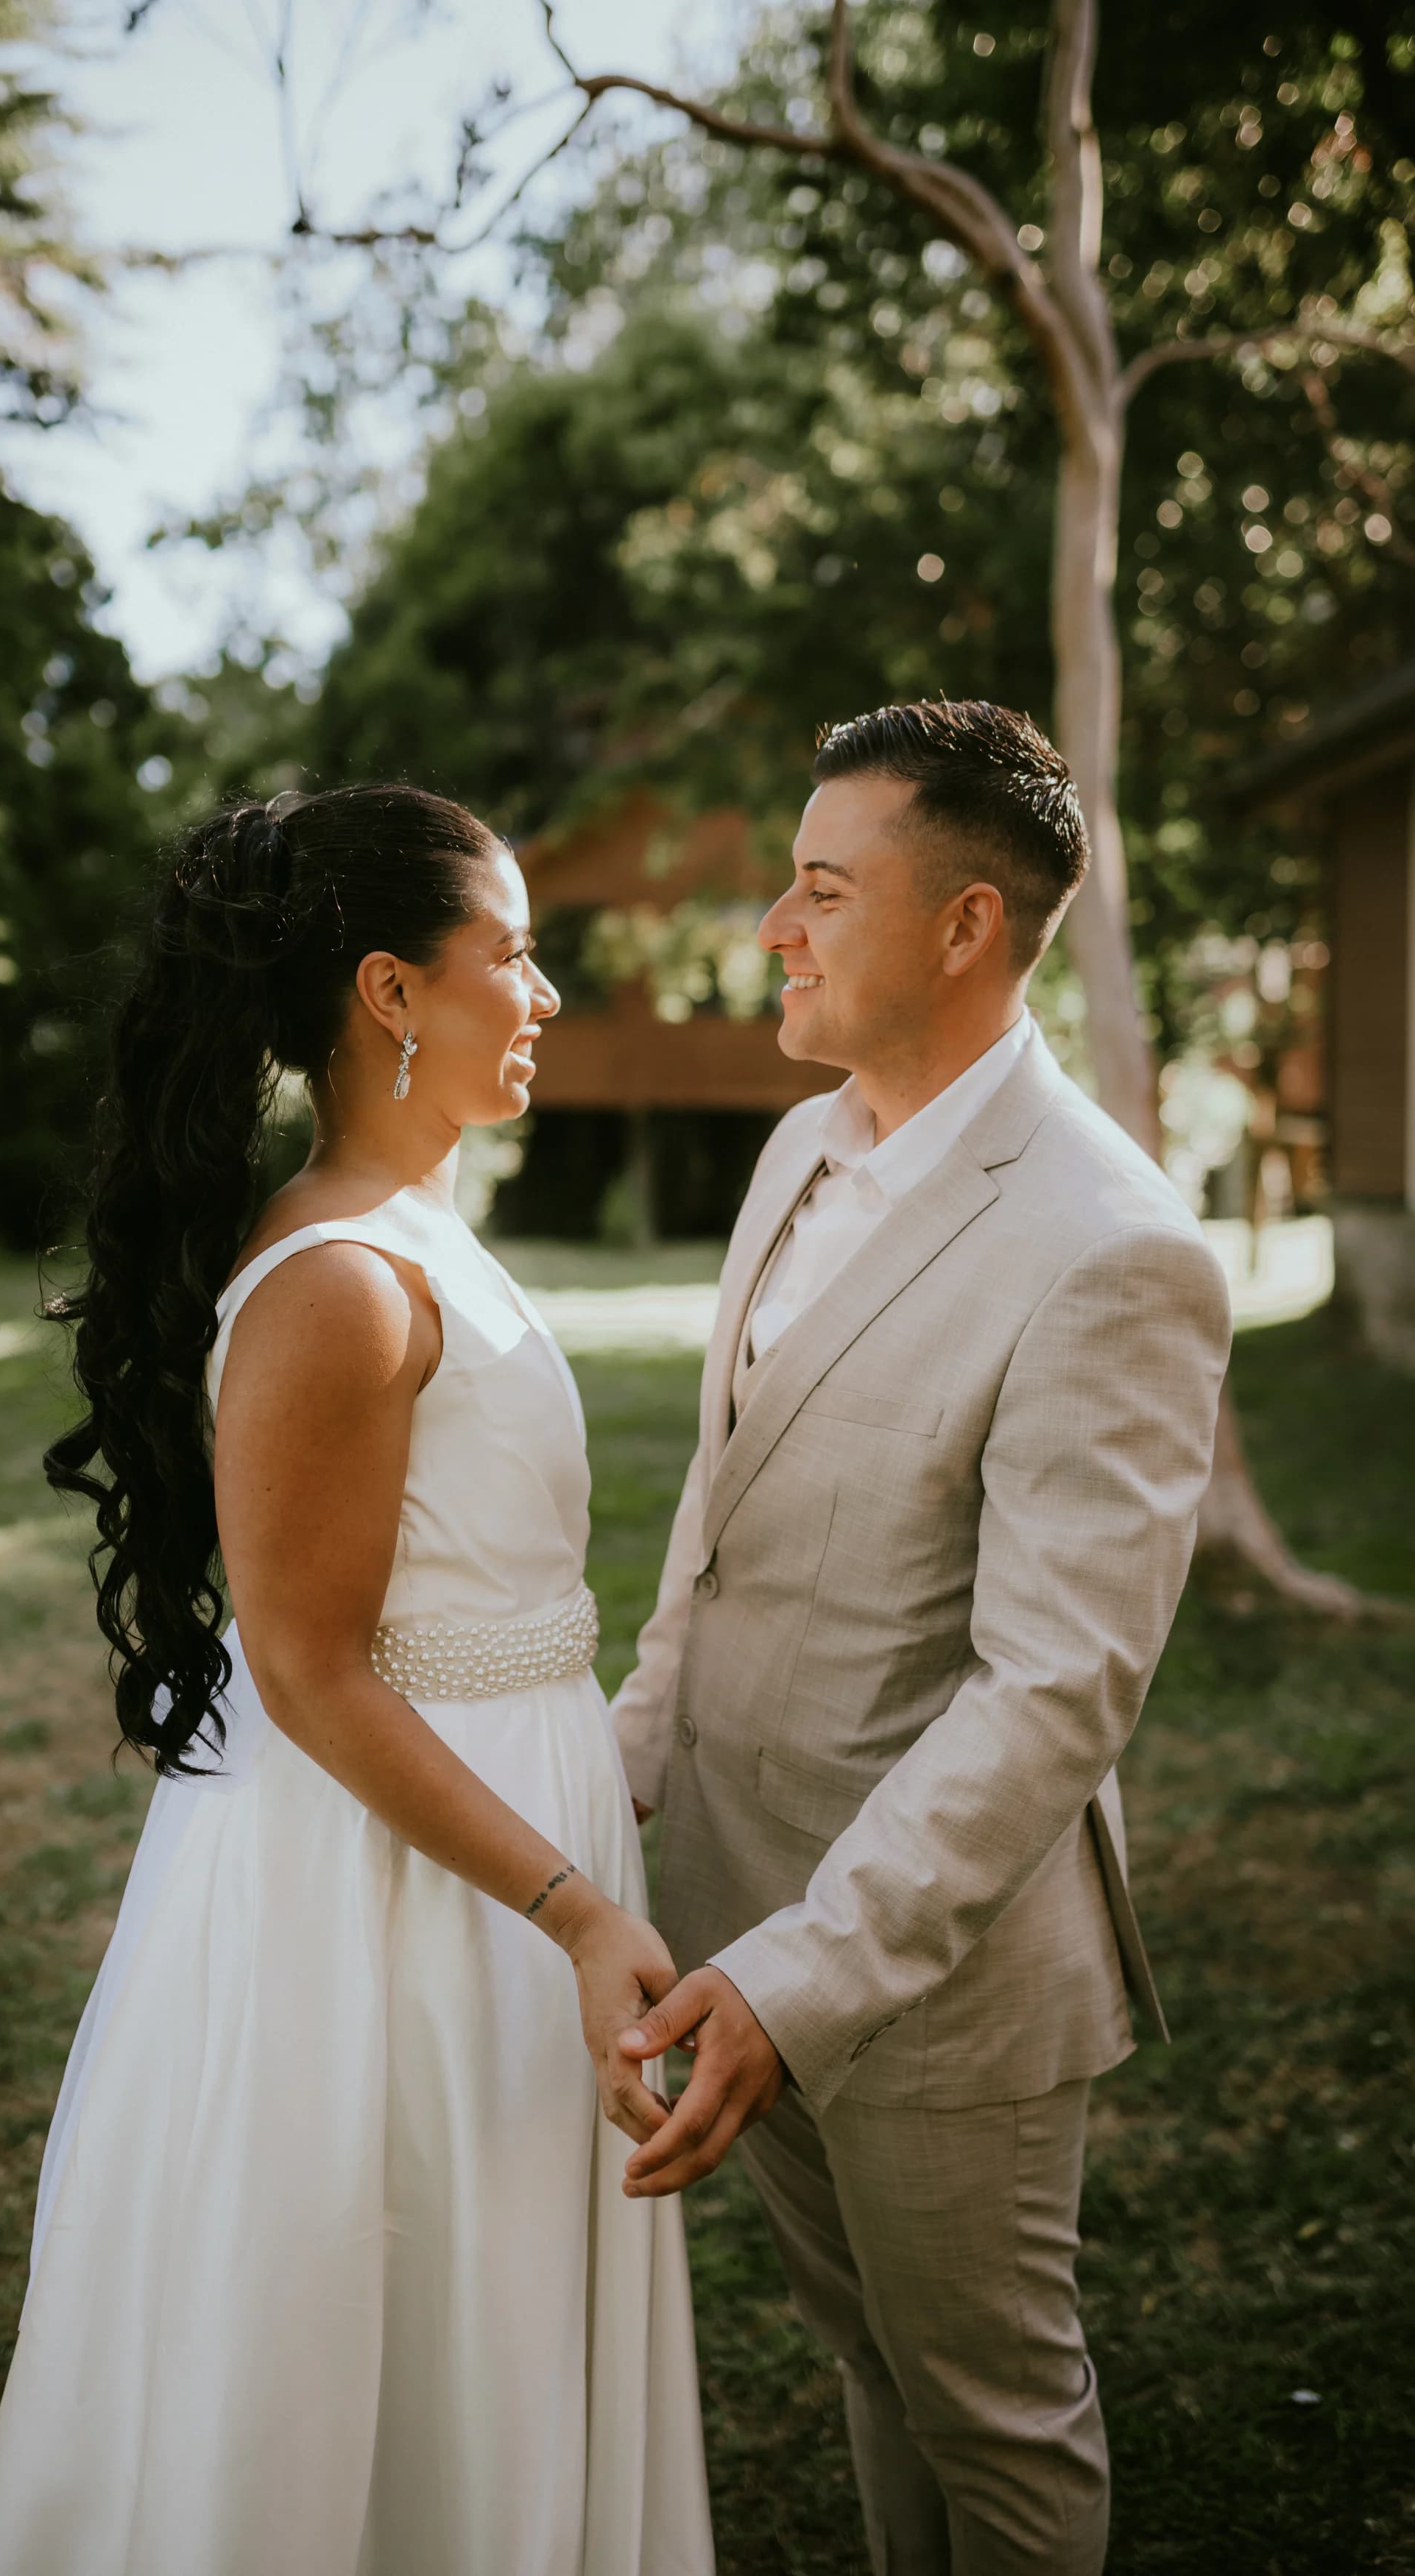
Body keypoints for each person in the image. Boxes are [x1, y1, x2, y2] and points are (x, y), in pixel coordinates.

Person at [0, 786, 713, 2576]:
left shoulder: (418, 1228)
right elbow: (303, 1669)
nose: (542, 991)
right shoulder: (339, 1284)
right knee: (379, 2317)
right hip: (397, 1904)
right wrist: (574, 1906)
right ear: (390, 989)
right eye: (510, 954)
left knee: (482, 2314)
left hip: (489, 1864)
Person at [610, 702, 1232, 2575]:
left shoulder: (1112, 1244)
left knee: (995, 2418)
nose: (774, 930)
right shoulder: (799, 1143)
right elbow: (705, 1541)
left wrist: (807, 1984)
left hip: (926, 1982)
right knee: (870, 2365)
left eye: (819, 888)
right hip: (730, 1928)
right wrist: (623, 1777)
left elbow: (1056, 1693)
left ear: (966, 926)